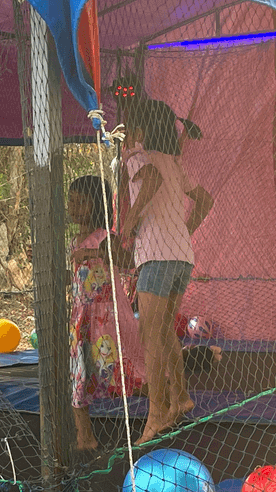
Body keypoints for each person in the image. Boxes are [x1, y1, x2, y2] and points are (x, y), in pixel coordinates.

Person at [120, 98, 214, 445]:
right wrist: (185, 230)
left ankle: (156, 413)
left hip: (157, 256)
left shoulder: (138, 157)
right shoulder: (174, 162)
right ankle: (181, 397)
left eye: (127, 130)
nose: (124, 137)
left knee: (150, 336)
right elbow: (205, 199)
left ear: (140, 132)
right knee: (165, 333)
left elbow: (151, 180)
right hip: (181, 257)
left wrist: (130, 223)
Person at [67, 175, 145, 451]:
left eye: (79, 201)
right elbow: (75, 277)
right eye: (70, 201)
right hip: (82, 320)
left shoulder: (106, 237)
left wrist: (95, 251)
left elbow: (126, 261)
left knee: (122, 371)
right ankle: (84, 437)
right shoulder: (74, 241)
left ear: (96, 204)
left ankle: (161, 403)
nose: (72, 207)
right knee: (79, 376)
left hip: (107, 320)